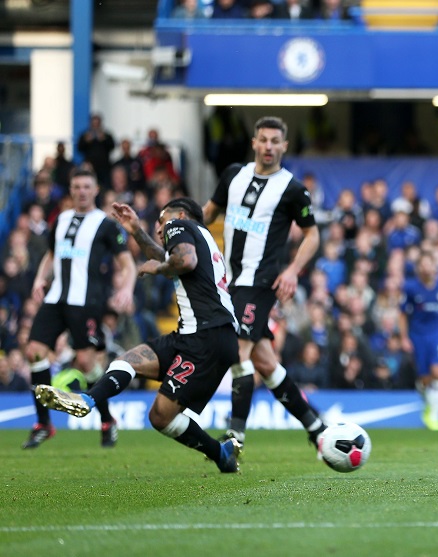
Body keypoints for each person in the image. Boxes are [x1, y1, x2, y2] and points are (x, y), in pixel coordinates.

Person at [35, 198, 244, 473]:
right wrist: (135, 230)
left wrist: (157, 269)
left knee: (161, 413)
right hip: (198, 334)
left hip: (206, 336)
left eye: (161, 220)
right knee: (134, 375)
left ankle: (89, 401)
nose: (159, 228)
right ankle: (87, 400)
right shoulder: (203, 238)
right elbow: (169, 256)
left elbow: (184, 260)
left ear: (180, 214)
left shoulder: (179, 225)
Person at [202, 116, 326, 447]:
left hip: (261, 282)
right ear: (254, 143)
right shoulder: (232, 175)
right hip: (229, 280)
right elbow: (208, 214)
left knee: (236, 349)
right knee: (265, 362)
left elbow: (312, 236)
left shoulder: (293, 190)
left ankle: (235, 436)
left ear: (284, 146)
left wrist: (292, 270)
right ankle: (317, 428)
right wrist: (180, 229)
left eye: (275, 141)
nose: (269, 146)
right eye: (263, 140)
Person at [22, 168, 136, 449]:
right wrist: (40, 278)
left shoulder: (106, 224)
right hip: (56, 299)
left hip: (86, 302)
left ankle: (107, 420)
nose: (81, 191)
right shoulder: (59, 220)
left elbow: (127, 263)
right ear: (70, 190)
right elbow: (51, 255)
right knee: (34, 350)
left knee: (87, 364)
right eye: (76, 187)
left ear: (96, 189)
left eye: (87, 186)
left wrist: (126, 289)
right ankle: (43, 424)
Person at [399, 251, 438, 430]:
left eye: (429, 264)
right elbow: (402, 314)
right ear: (417, 268)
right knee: (424, 379)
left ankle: (434, 417)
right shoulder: (410, 287)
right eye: (422, 264)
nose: (426, 268)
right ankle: (428, 405)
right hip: (418, 335)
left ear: (435, 266)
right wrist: (404, 337)